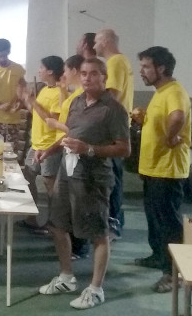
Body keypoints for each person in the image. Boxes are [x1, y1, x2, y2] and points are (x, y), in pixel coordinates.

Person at [37, 58, 130, 310]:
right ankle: (67, 277)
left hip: (93, 178)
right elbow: (70, 134)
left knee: (98, 233)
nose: (88, 78)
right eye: (84, 74)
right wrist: (50, 149)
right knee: (56, 224)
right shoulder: (77, 102)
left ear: (104, 77)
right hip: (68, 172)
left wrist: (89, 149)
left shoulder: (113, 109)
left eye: (94, 74)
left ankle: (96, 288)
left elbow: (124, 148)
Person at [134, 46, 191, 293]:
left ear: (162, 68)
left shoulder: (174, 91)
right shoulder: (161, 92)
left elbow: (177, 116)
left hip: (167, 170)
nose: (142, 72)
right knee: (155, 218)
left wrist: (170, 138)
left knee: (168, 222)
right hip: (154, 167)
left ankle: (173, 273)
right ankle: (159, 256)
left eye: (146, 67)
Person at [44, 54, 89, 260]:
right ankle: (71, 242)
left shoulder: (83, 96)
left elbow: (73, 127)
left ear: (74, 71)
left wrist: (55, 126)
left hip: (78, 156)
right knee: (68, 200)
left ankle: (79, 246)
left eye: (67, 70)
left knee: (77, 202)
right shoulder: (74, 94)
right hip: (67, 152)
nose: (64, 74)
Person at [94, 29, 134, 239]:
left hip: (113, 129)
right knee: (112, 179)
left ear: (106, 41)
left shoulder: (116, 62)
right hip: (113, 127)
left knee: (113, 180)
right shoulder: (120, 62)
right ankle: (112, 222)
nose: (94, 46)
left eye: (97, 41)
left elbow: (113, 95)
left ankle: (113, 225)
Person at [21, 56, 64, 229]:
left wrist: (32, 102)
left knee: (49, 184)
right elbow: (37, 112)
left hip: (50, 146)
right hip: (36, 144)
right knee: (27, 177)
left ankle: (54, 223)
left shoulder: (60, 93)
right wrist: (26, 99)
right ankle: (31, 218)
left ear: (50, 71)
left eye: (41, 67)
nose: (39, 71)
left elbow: (52, 120)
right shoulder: (45, 89)